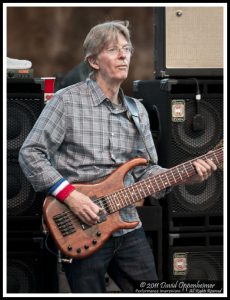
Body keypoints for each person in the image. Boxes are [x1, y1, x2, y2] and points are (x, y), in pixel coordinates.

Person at [18, 20, 217, 293]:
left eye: (127, 49)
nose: (124, 55)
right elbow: (31, 153)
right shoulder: (67, 101)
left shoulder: (137, 111)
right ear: (94, 61)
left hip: (126, 225)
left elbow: (145, 171)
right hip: (80, 225)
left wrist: (186, 175)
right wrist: (70, 196)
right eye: (113, 50)